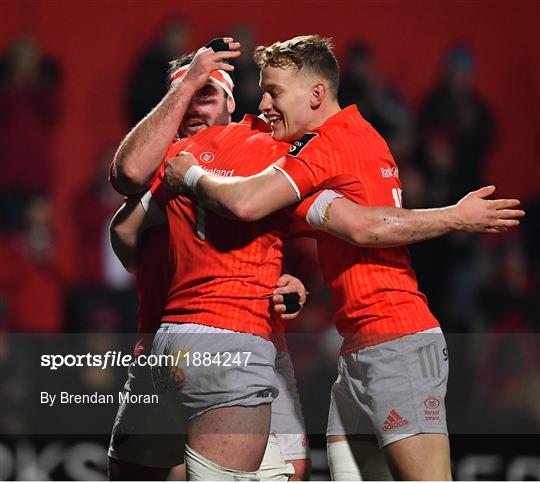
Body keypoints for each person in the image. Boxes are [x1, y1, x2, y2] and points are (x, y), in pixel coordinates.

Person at [163, 35, 524, 480]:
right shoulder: (354, 136)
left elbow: (342, 222)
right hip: (360, 347)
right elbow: (344, 223)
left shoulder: (327, 145)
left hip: (396, 338)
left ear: (317, 94)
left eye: (275, 91)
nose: (265, 104)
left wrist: (193, 175)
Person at [108, 43, 310, 481]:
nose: (194, 107)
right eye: (184, 95)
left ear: (232, 102)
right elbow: (123, 198)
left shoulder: (259, 145)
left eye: (206, 94)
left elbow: (123, 234)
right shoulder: (168, 158)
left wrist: (286, 283)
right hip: (185, 343)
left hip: (252, 342)